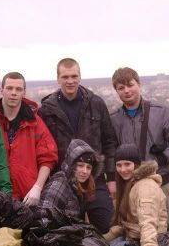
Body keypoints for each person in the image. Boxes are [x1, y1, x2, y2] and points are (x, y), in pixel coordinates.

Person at [38, 58, 118, 233]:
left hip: (94, 177)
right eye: (65, 77)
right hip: (64, 182)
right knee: (71, 232)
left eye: (74, 76)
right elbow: (42, 149)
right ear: (58, 79)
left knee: (106, 225)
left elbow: (110, 142)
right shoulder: (46, 110)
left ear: (80, 77)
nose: (70, 81)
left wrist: (111, 177)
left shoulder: (96, 103)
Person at [110, 67, 169, 220]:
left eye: (130, 85)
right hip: (127, 186)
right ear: (116, 91)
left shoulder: (161, 112)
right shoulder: (113, 119)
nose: (126, 91)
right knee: (131, 231)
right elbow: (110, 151)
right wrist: (112, 178)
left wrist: (160, 159)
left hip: (158, 182)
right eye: (121, 88)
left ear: (139, 85)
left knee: (161, 233)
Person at [0, 71, 58, 205]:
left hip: (28, 198)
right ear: (1, 90)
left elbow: (48, 157)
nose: (14, 93)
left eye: (18, 89)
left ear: (24, 92)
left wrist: (37, 187)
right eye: (9, 88)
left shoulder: (35, 123)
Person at [104, 144, 167, 246]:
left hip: (145, 241)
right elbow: (128, 223)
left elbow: (148, 220)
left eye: (127, 164)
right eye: (119, 165)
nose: (123, 169)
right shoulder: (131, 183)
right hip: (132, 236)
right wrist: (103, 238)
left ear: (136, 164)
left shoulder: (146, 186)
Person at [37, 139, 102, 227]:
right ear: (72, 165)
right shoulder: (59, 183)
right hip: (55, 237)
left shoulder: (80, 185)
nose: (85, 171)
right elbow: (42, 217)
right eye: (80, 166)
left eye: (89, 167)